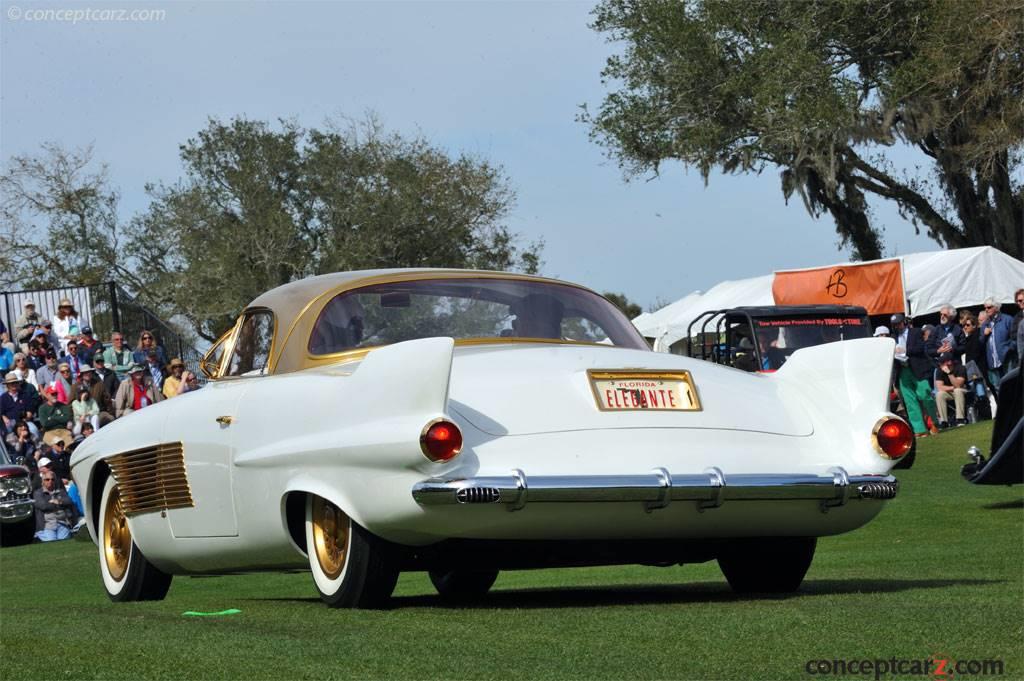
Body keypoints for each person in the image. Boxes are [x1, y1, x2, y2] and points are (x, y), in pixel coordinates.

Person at [891, 313, 940, 437]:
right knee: (910, 401)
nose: (897, 326)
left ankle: (933, 422)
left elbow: (920, 348)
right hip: (902, 370)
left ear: (904, 322)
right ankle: (919, 429)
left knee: (925, 395)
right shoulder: (892, 337)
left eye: (899, 323)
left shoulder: (916, 332)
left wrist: (905, 351)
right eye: (895, 325)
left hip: (917, 368)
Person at [32, 469, 78, 542]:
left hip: (62, 523)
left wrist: (58, 501)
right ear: (43, 481)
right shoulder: (38, 493)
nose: (50, 481)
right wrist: (58, 504)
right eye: (47, 479)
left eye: (52, 479)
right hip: (47, 525)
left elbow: (69, 501)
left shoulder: (61, 491)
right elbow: (43, 506)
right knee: (51, 541)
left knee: (64, 540)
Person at [980, 297, 1014, 391]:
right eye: (985, 308)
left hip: (1007, 359)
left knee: (1011, 384)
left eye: (989, 307)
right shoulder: (985, 324)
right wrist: (984, 335)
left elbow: (1014, 338)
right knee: (998, 388)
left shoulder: (1007, 319)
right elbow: (980, 344)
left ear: (997, 307)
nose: (986, 310)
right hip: (992, 361)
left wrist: (1008, 349)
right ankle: (1003, 406)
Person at [934, 352, 968, 428]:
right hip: (950, 392)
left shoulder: (960, 368)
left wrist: (949, 373)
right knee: (939, 394)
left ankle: (960, 419)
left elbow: (958, 385)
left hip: (963, 391)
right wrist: (952, 388)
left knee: (958, 391)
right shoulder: (939, 370)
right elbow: (939, 387)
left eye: (942, 362)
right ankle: (944, 421)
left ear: (949, 362)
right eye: (940, 362)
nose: (940, 364)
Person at [1, 373, 39, 437]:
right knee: (7, 435)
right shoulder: (3, 398)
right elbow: (2, 413)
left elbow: (30, 411)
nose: (14, 384)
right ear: (7, 385)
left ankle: (37, 446)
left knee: (33, 429)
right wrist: (5, 418)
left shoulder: (25, 395)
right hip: (11, 424)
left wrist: (22, 423)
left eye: (15, 382)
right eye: (11, 383)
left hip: (24, 422)